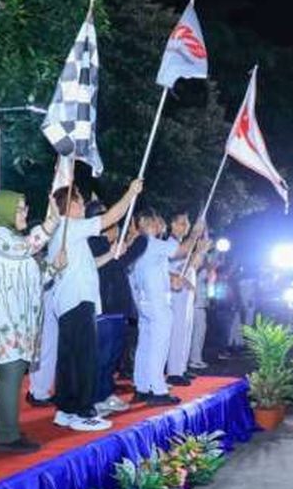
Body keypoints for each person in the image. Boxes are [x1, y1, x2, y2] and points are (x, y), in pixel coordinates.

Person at [44, 177, 142, 431]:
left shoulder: (65, 232)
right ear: (71, 205)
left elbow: (87, 265)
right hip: (77, 302)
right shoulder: (70, 226)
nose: (83, 205)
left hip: (70, 303)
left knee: (70, 359)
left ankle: (65, 410)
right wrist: (130, 193)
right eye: (79, 201)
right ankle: (82, 412)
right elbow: (110, 217)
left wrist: (111, 254)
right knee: (83, 360)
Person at [0, 189, 62, 453]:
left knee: (10, 375)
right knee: (11, 374)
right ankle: (6, 437)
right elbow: (24, 249)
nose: (24, 213)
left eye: (24, 208)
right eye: (19, 208)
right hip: (2, 321)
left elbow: (33, 278)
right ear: (2, 211)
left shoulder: (12, 238)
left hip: (17, 321)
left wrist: (54, 267)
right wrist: (50, 224)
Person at [129, 209, 203, 405]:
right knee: (158, 346)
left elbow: (154, 272)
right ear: (145, 223)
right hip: (157, 302)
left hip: (146, 302)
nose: (158, 224)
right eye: (154, 221)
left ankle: (142, 387)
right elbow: (181, 251)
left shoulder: (140, 245)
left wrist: (171, 280)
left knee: (145, 345)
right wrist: (195, 233)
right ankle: (158, 390)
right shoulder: (150, 243)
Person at [87, 201, 148, 417]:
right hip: (105, 307)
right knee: (103, 357)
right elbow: (119, 263)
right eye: (113, 224)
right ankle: (96, 398)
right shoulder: (94, 243)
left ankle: (106, 393)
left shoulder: (105, 245)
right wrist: (140, 239)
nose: (117, 228)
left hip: (117, 308)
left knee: (112, 357)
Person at [165, 211, 197, 386]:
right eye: (182, 223)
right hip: (176, 293)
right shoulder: (170, 244)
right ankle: (174, 371)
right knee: (177, 330)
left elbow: (189, 266)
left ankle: (182, 367)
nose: (186, 226)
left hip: (186, 293)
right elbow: (169, 269)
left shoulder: (181, 244)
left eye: (188, 223)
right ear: (173, 224)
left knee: (185, 329)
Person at [188, 251, 213, 371]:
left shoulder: (203, 268)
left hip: (201, 303)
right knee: (197, 333)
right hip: (195, 305)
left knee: (199, 333)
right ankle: (194, 360)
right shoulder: (196, 269)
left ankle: (195, 358)